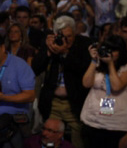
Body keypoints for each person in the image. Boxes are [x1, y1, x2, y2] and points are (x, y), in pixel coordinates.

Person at [31, 16, 91, 148]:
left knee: (78, 142)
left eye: (69, 36)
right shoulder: (50, 43)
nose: (65, 40)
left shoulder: (84, 44)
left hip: (74, 102)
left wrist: (65, 53)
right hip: (53, 102)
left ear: (75, 33)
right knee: (50, 139)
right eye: (62, 36)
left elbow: (83, 69)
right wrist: (48, 51)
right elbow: (35, 68)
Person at [80, 35, 127, 147]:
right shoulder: (97, 65)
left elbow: (116, 86)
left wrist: (110, 64)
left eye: (113, 50)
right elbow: (86, 83)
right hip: (93, 120)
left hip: (117, 125)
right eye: (107, 49)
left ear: (121, 51)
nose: (110, 53)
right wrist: (94, 60)